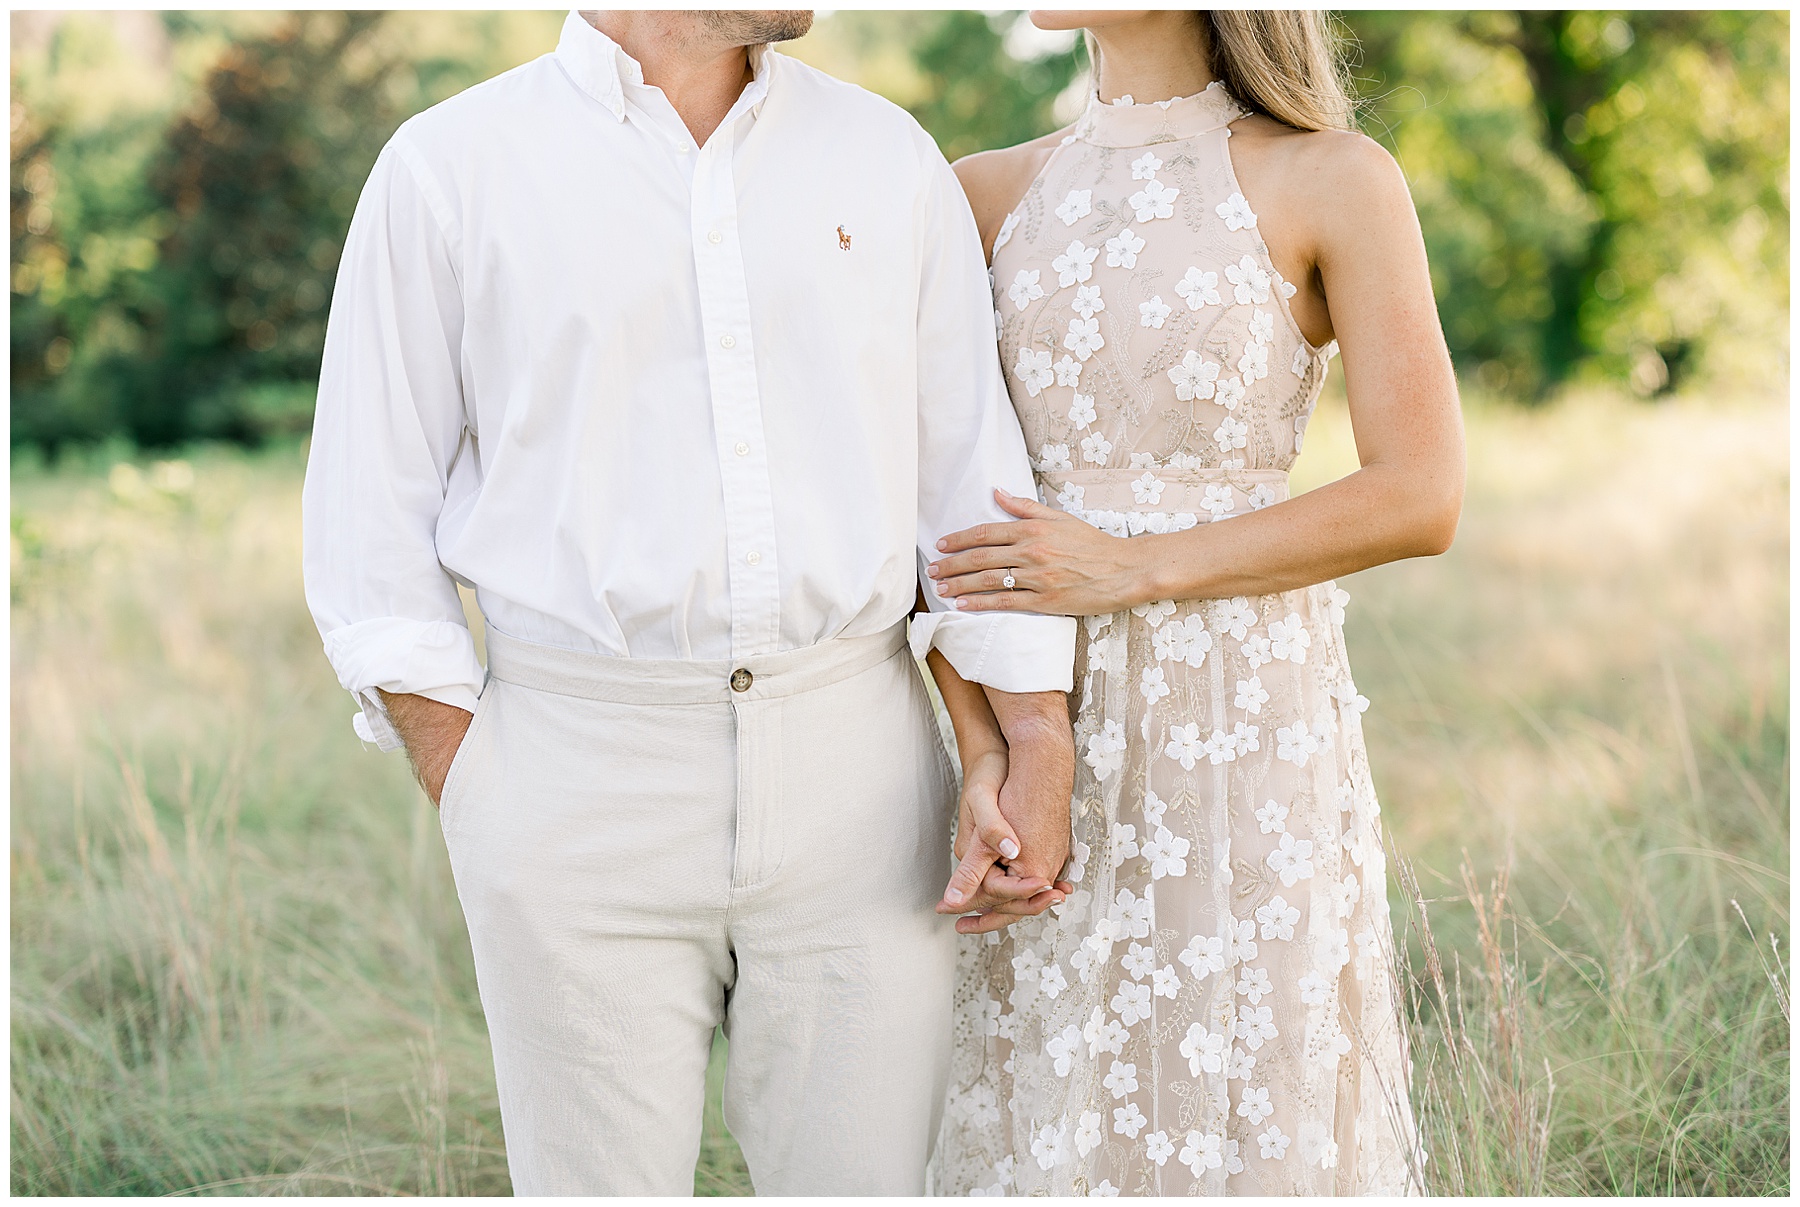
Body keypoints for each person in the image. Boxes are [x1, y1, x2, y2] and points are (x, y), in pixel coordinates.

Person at [300, 9, 1083, 1195]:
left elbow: (970, 491)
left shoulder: (886, 157)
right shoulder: (448, 169)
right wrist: (478, 787)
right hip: (572, 782)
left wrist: (1035, 734)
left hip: (864, 782)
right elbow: (370, 521)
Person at [921, 9, 1464, 1196]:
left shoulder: (1336, 178)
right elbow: (930, 512)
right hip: (1038, 706)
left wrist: (1135, 565)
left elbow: (1421, 493)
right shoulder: (976, 194)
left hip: (1245, 724)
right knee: (1053, 1099)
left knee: (1247, 1091)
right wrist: (985, 747)